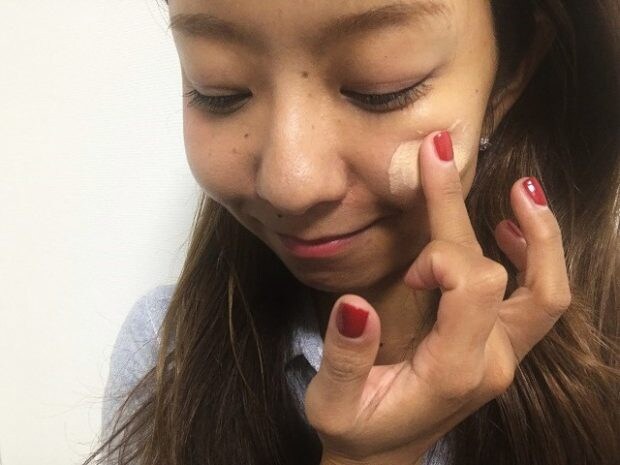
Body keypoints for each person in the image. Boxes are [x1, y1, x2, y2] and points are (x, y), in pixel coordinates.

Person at [82, 0, 619, 464]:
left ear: (511, 74)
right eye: (218, 90)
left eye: (379, 88)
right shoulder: (166, 353)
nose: (291, 184)